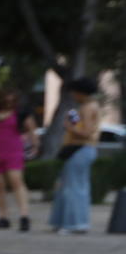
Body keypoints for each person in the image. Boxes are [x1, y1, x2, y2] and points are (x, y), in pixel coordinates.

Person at [0, 89, 37, 231]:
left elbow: (32, 129)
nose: (9, 102)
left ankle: (24, 216)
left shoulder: (21, 112)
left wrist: (32, 142)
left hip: (13, 151)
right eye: (6, 100)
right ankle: (3, 217)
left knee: (16, 180)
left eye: (12, 100)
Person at [48, 77, 101, 234]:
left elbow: (87, 132)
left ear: (80, 92)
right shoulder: (90, 106)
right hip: (83, 149)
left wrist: (69, 127)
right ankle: (69, 221)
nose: (73, 95)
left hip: (81, 148)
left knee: (73, 187)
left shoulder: (87, 107)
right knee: (74, 186)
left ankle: (74, 223)